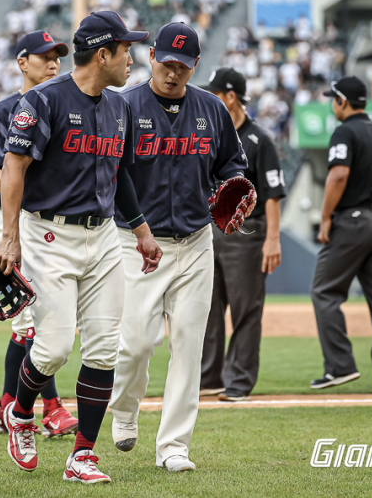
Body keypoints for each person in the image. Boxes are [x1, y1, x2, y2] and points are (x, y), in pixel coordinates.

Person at [0, 10, 162, 484]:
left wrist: (141, 229)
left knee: (106, 349)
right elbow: (13, 166)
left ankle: (83, 455)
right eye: (126, 49)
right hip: (48, 234)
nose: (132, 57)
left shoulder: (119, 105)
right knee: (53, 348)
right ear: (103, 53)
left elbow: (121, 172)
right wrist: (9, 237)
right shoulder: (43, 100)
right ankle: (21, 414)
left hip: (104, 234)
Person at [109, 23, 251, 472]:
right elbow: (110, 171)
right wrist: (136, 228)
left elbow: (233, 162)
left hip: (194, 241)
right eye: (167, 64)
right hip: (137, 241)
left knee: (189, 347)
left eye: (183, 67)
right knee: (133, 344)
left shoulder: (211, 108)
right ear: (151, 56)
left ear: (195, 67)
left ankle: (173, 446)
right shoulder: (125, 105)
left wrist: (232, 187)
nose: (174, 74)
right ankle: (126, 410)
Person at [0, 31, 78, 437]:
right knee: (28, 320)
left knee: (34, 322)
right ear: (22, 62)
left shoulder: (68, 108)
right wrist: (25, 188)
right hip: (6, 220)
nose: (52, 63)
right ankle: (50, 408)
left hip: (48, 223)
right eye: (43, 56)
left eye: (56, 56)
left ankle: (5, 405)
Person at [310, 76, 372, 389]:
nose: (331, 104)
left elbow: (338, 175)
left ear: (343, 101)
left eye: (332, 98)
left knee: (325, 291)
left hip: (353, 222)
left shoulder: (344, 131)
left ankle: (340, 366)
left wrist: (325, 217)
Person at [199, 68, 287, 402]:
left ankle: (239, 381)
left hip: (248, 233)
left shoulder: (258, 139)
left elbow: (274, 194)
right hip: (210, 231)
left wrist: (273, 238)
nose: (210, 98)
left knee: (245, 308)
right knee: (208, 307)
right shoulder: (212, 137)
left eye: (215, 93)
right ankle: (209, 377)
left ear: (230, 97)